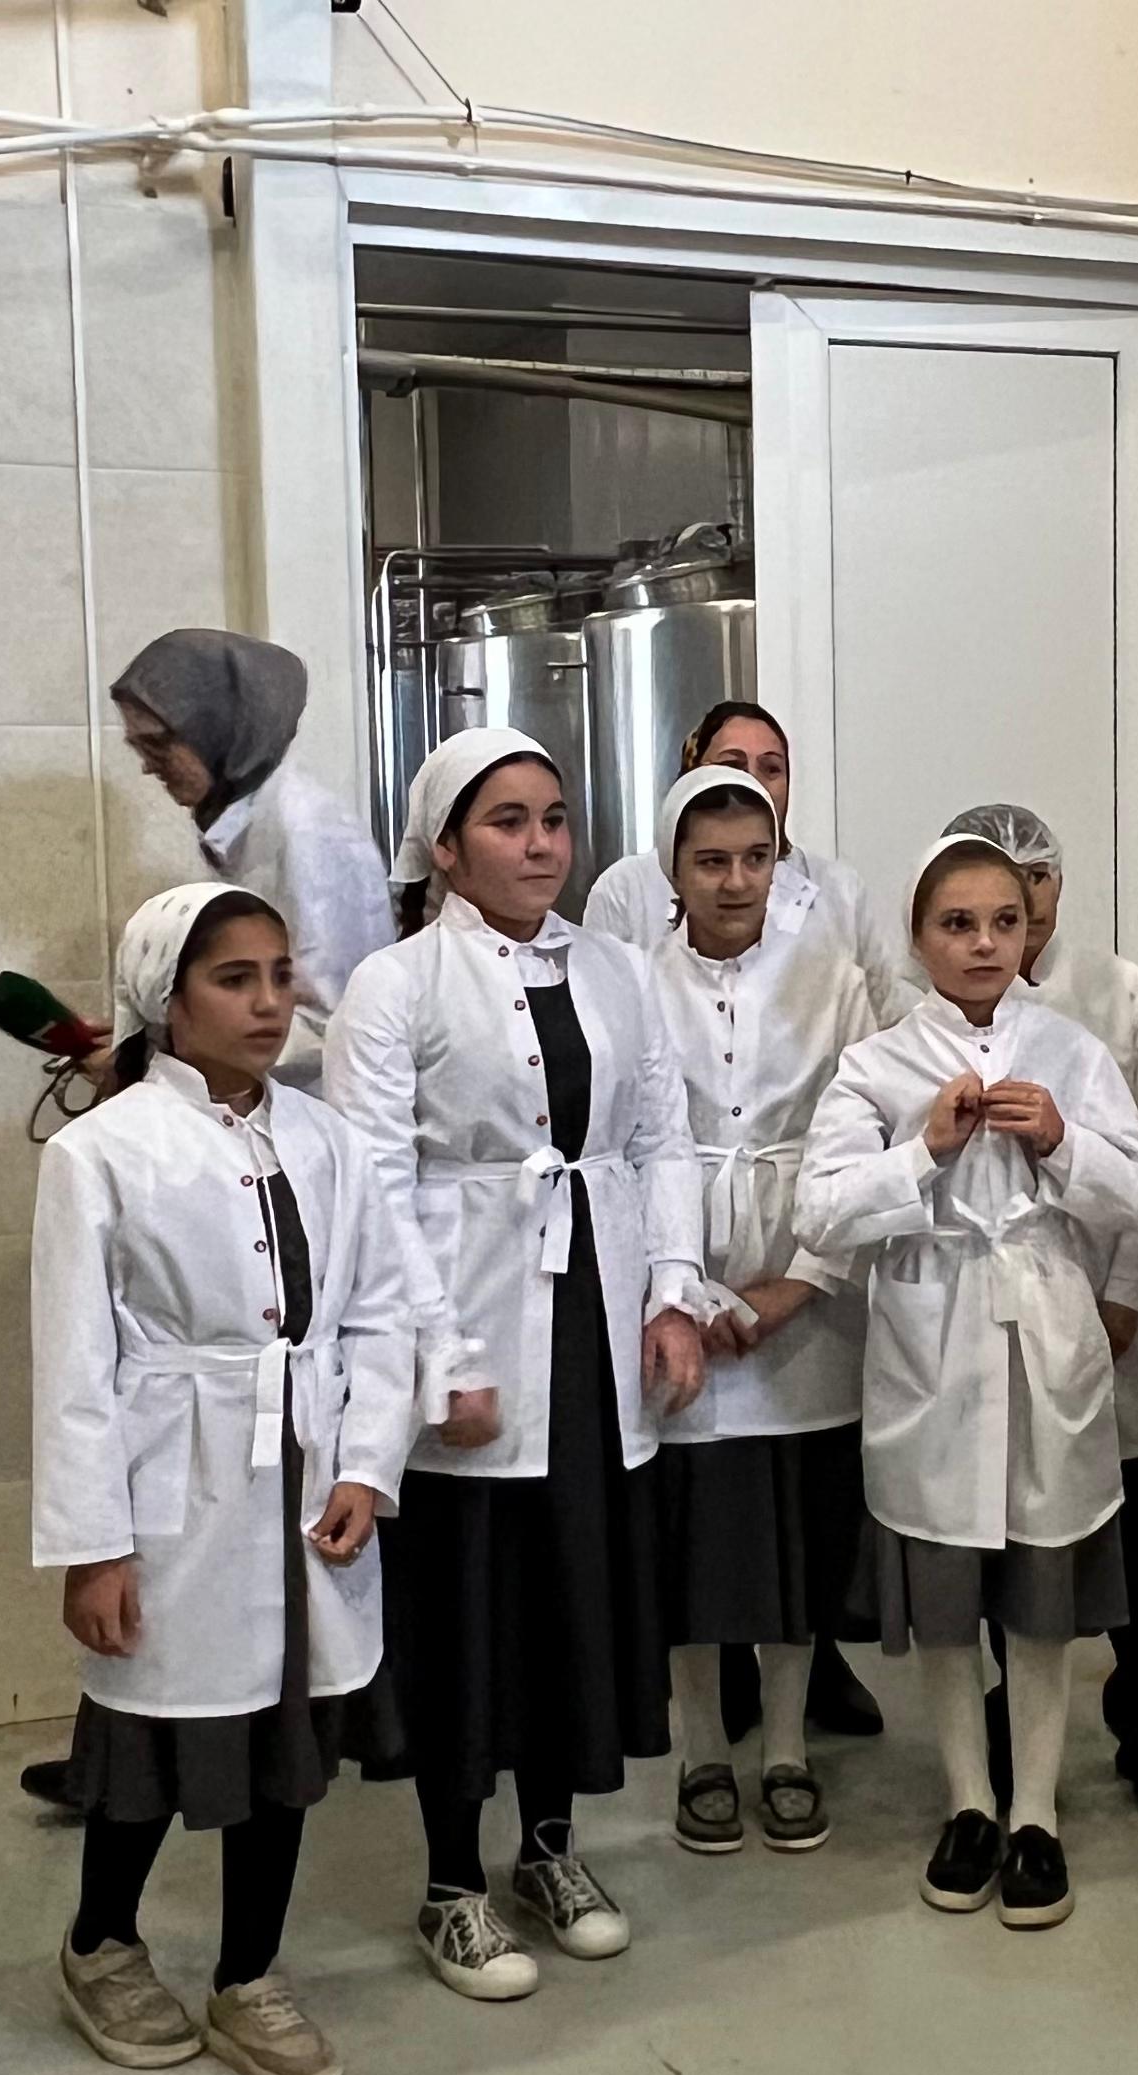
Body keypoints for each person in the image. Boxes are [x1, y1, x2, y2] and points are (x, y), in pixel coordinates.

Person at [325, 726, 714, 2000]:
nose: (541, 844)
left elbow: (662, 1141)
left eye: (554, 818)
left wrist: (671, 1293)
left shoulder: (617, 969)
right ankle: (452, 1880)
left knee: (570, 1599)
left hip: (593, 1326)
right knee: (467, 1615)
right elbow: (372, 1186)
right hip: (472, 1323)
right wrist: (439, 1353)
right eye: (507, 822)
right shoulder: (396, 986)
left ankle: (551, 1847)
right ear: (445, 848)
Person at [32, 884, 437, 2075]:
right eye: (233, 979)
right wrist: (95, 1546)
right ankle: (102, 1944)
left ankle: (250, 1972)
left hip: (307, 1474)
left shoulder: (327, 1140)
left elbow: (379, 1313)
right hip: (176, 1477)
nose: (269, 1004)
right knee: (155, 1728)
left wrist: (366, 1463)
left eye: (279, 974)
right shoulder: (101, 1153)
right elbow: (72, 1368)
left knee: (290, 1729)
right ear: (166, 1000)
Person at [798, 834, 1138, 1932]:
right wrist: (922, 1152)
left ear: (1029, 931)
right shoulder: (875, 1065)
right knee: (947, 1587)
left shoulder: (1072, 1049)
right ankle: (968, 1801)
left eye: (1004, 922)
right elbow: (819, 1213)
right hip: (934, 1336)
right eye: (957, 924)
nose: (983, 944)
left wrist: (1062, 1144)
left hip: (1044, 1328)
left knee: (1044, 1585)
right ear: (918, 939)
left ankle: (1037, 1810)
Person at [638, 767, 881, 1858]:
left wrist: (800, 1281)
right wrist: (678, 1290)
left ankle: (785, 1750)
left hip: (806, 1291)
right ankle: (701, 1751)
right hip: (677, 1294)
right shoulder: (633, 982)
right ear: (673, 871)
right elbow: (634, 1145)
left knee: (796, 1535)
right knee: (689, 1541)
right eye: (711, 861)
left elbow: (865, 1137)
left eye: (756, 858)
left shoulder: (835, 979)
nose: (736, 881)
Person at [948, 800, 1138, 1814]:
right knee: (1008, 1517)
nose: (1023, 903)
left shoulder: (1122, 992)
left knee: (1134, 1519)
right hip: (1001, 1310)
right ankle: (1015, 1715)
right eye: (997, 887)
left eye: (1038, 880)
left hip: (1111, 1297)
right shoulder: (942, 1010)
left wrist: (1127, 1294)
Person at [115, 630, 394, 1034]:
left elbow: (332, 1020)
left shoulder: (310, 830)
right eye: (139, 748)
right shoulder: (233, 817)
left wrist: (180, 1047)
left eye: (158, 745)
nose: (147, 765)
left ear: (216, 728)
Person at [577, 700, 910, 1011]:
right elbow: (600, 1013)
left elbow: (888, 1012)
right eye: (731, 765)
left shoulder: (840, 888)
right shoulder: (626, 888)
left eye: (771, 768)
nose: (752, 780)